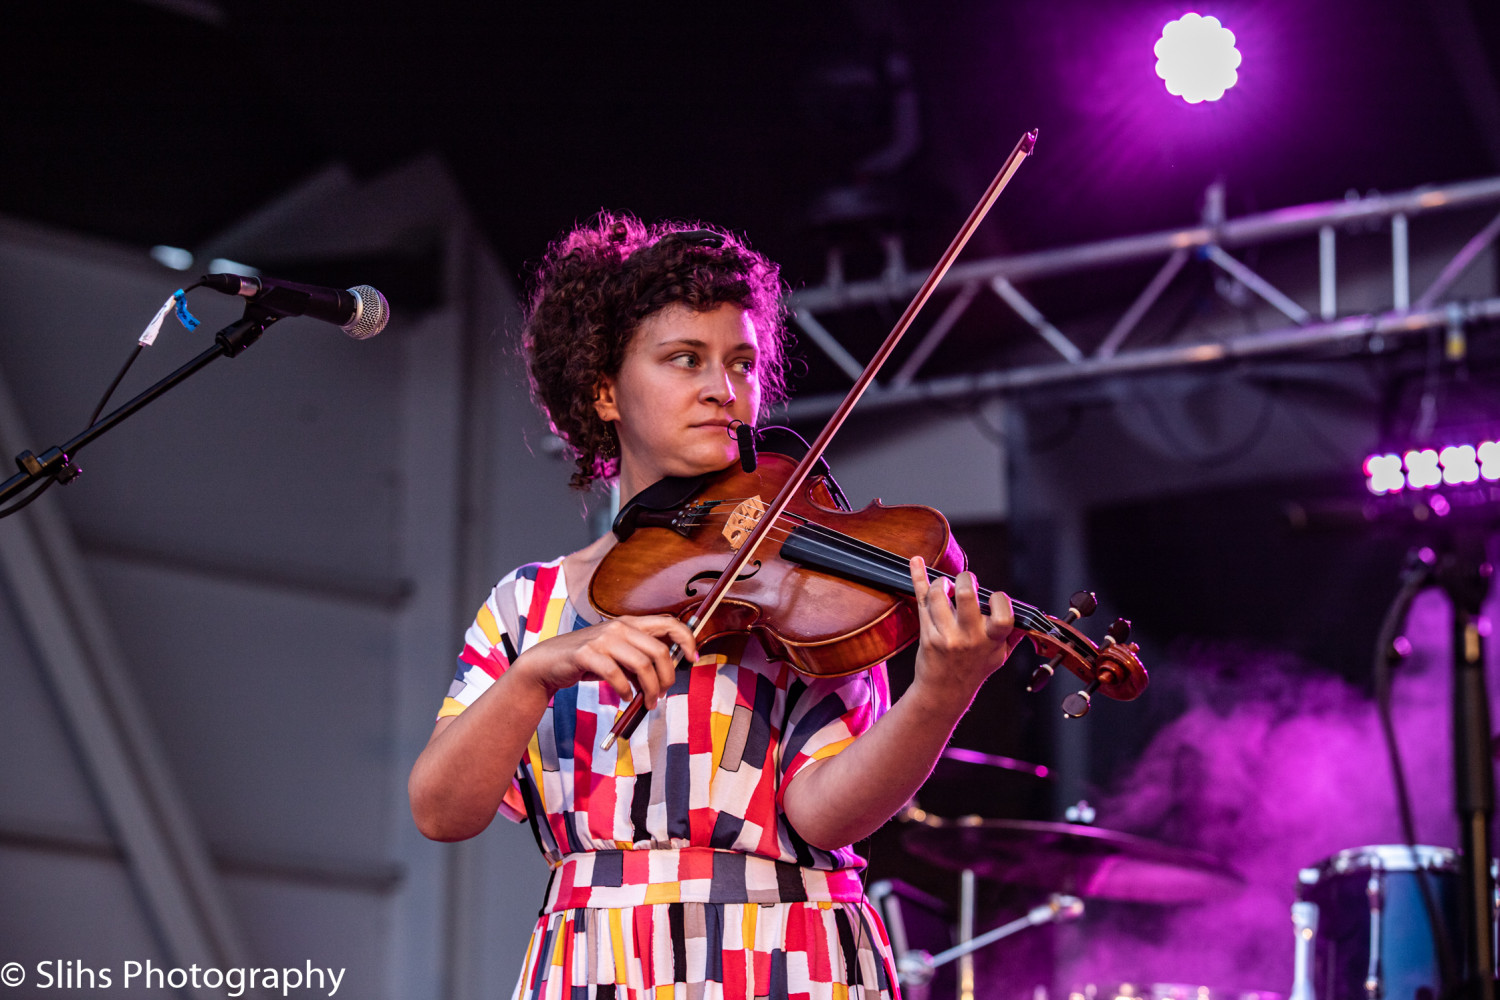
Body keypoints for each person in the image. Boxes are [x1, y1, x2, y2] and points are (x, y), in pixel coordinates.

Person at [408, 214, 1021, 999]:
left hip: (788, 952)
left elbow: (826, 814)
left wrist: (941, 694)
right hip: (597, 962)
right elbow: (441, 809)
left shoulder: (794, 589)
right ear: (604, 393)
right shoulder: (531, 604)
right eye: (684, 360)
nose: (722, 390)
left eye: (742, 363)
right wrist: (535, 674)